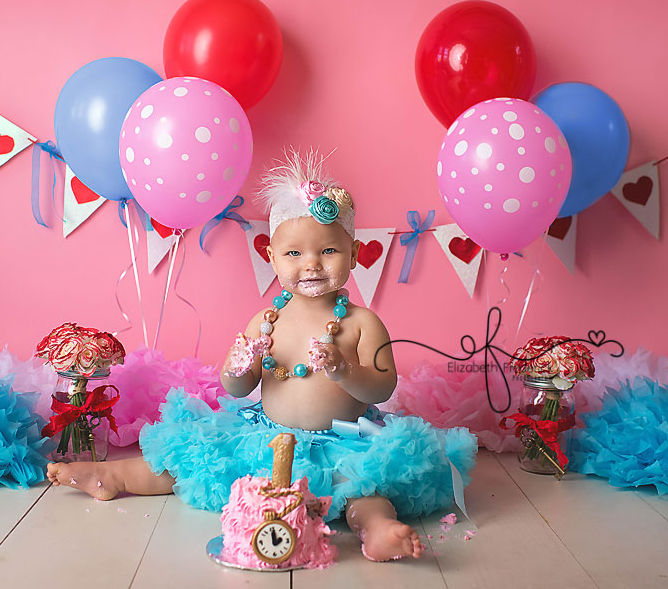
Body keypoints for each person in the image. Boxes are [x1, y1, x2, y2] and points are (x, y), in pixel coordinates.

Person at [47, 150, 477, 562]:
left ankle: (378, 529)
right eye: (294, 253)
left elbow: (384, 385)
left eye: (328, 251)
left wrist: (346, 371)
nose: (311, 264)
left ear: (354, 254)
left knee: (362, 490)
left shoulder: (362, 323)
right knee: (186, 460)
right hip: (265, 437)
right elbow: (238, 386)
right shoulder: (266, 321)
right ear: (272, 257)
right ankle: (113, 476)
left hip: (344, 443)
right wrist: (240, 365)